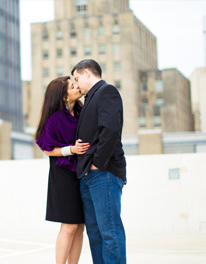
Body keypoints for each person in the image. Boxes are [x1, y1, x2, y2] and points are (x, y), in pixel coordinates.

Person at [71, 59, 128, 264]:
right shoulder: (89, 100)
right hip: (88, 175)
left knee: (109, 232)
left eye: (77, 79)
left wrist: (98, 163)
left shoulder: (107, 92)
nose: (76, 85)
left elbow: (111, 129)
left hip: (102, 172)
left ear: (87, 73)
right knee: (95, 236)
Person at [35, 76, 91, 264]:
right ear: (64, 96)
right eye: (73, 86)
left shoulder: (82, 112)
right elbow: (46, 149)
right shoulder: (55, 119)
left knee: (80, 226)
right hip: (63, 175)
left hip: (82, 173)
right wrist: (71, 150)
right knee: (69, 226)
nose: (77, 87)